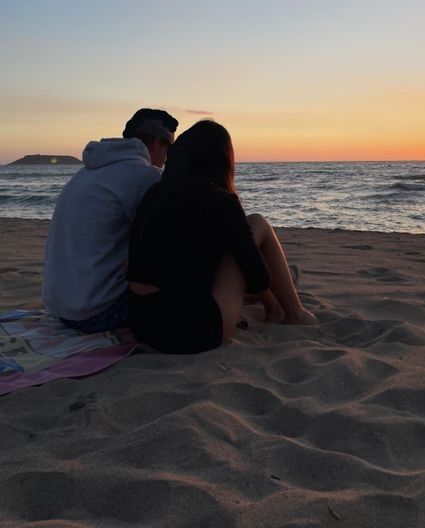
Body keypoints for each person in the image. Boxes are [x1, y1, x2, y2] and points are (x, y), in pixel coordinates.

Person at [127, 120, 317, 354]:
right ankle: (296, 313)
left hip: (142, 323)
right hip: (190, 330)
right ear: (222, 159)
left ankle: (275, 309)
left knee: (229, 249)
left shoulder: (155, 193)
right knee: (257, 223)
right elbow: (259, 280)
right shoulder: (220, 200)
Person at [42, 108, 179, 333]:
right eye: (168, 147)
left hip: (59, 307)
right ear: (155, 143)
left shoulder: (87, 172)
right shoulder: (145, 176)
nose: (168, 156)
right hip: (97, 311)